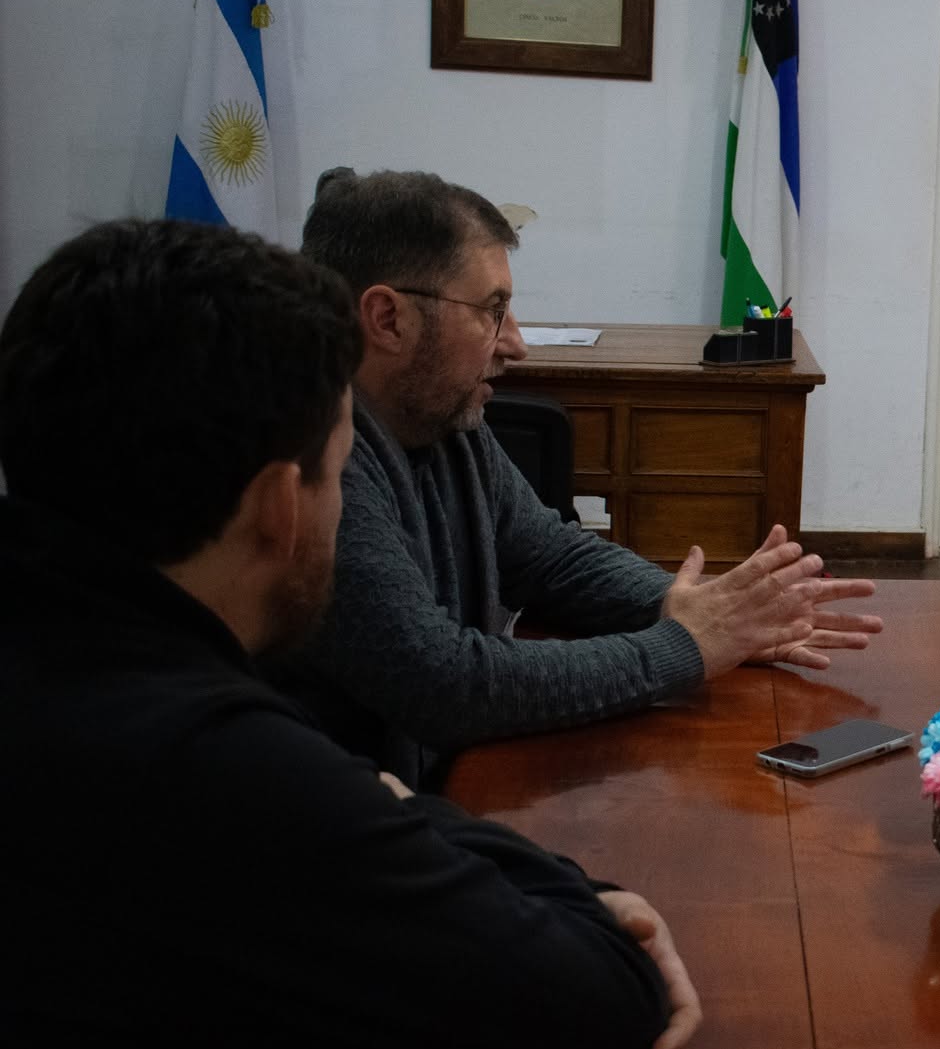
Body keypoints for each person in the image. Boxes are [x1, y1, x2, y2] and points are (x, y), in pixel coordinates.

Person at [0, 219, 702, 1049]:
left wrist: (379, 803)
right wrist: (413, 814)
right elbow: (612, 1003)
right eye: (337, 471)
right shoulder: (206, 769)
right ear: (281, 507)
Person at [279, 167, 884, 789]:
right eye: (493, 310)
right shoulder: (319, 462)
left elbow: (552, 556)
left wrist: (691, 609)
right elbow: (446, 685)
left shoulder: (441, 419)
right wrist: (686, 646)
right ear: (387, 318)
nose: (515, 343)